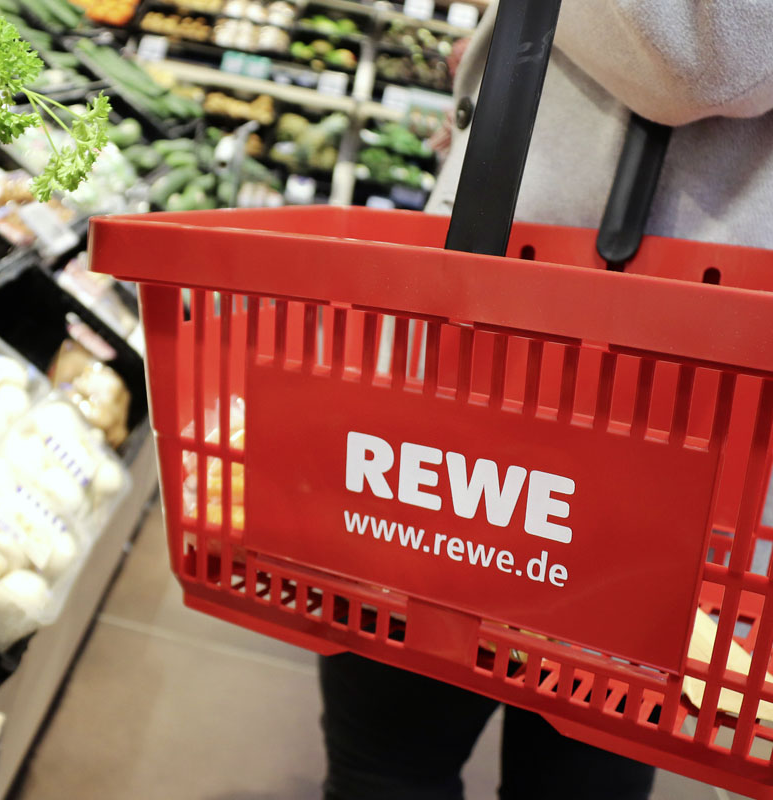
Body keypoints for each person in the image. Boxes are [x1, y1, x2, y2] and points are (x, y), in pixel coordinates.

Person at [321, 1, 773, 797]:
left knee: (407, 762)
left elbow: (715, 52)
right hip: (543, 371)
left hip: (609, 382)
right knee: (390, 759)